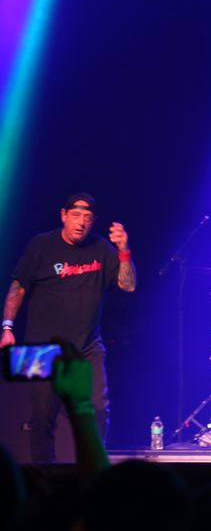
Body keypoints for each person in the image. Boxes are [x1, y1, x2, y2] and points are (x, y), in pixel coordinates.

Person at [1, 193, 136, 463]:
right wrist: (7, 326)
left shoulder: (101, 248)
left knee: (99, 409)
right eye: (75, 216)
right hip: (43, 348)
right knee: (42, 418)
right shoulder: (41, 245)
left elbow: (128, 285)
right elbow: (19, 287)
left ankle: (95, 470)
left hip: (88, 347)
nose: (81, 223)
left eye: (87, 218)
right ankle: (45, 477)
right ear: (63, 215)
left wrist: (123, 250)